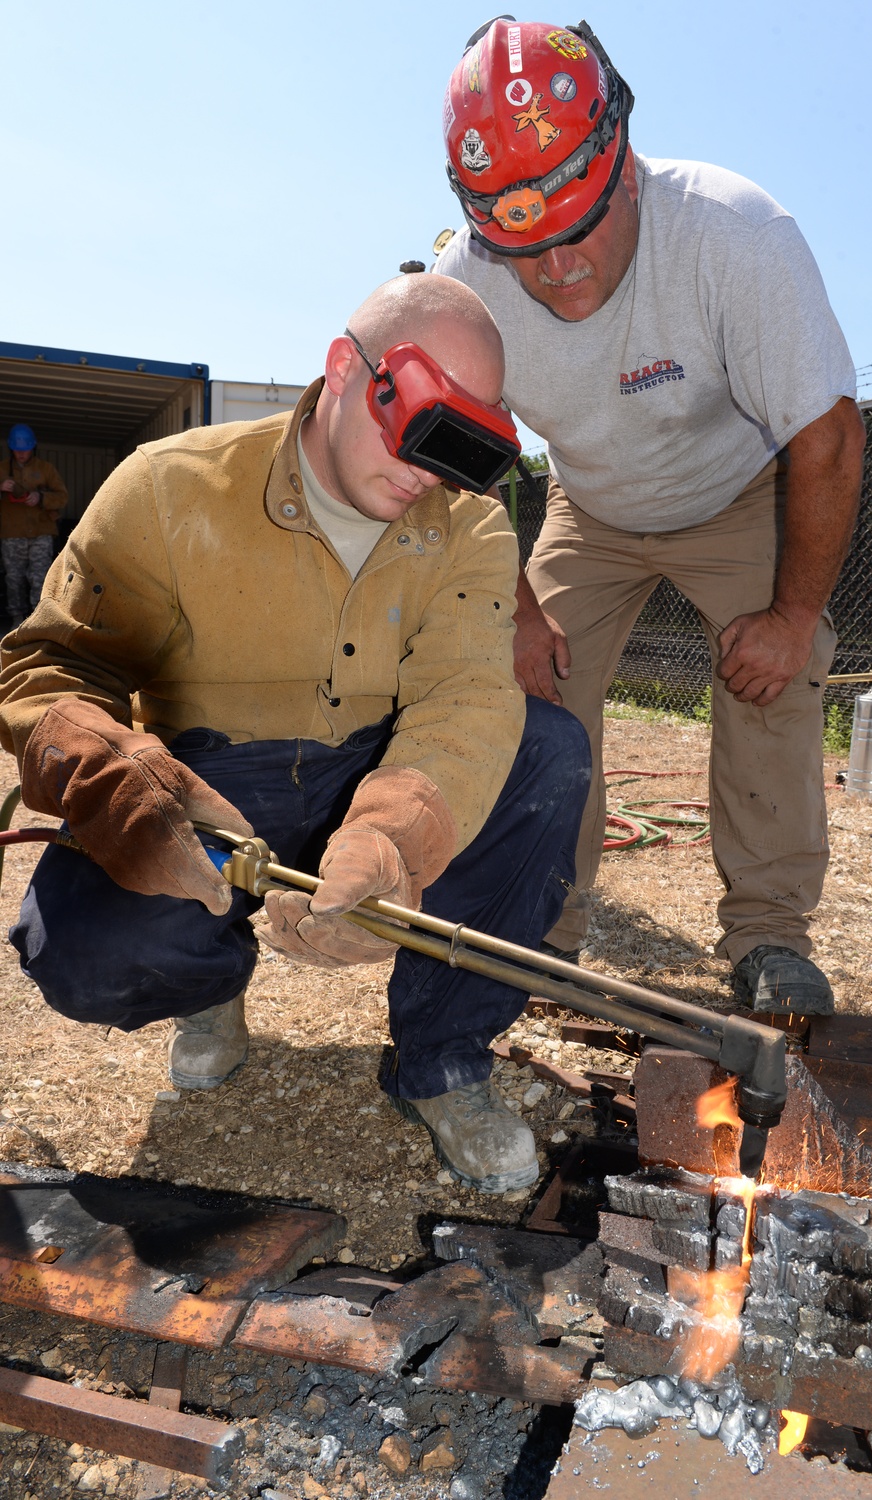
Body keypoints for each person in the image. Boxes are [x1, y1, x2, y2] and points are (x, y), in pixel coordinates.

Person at [0, 274, 590, 1194]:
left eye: (461, 451)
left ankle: (441, 1061)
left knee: (547, 751)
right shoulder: (165, 489)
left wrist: (395, 833)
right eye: (423, 432)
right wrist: (105, 767)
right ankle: (211, 980)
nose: (429, 475)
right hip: (207, 779)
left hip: (373, 760)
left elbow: (467, 698)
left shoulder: (467, 523)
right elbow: (49, 667)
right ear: (345, 370)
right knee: (84, 957)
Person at [435, 18, 867, 1015]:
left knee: (774, 675)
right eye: (524, 247)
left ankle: (767, 937)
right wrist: (516, 613)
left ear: (621, 163)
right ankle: (540, 929)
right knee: (524, 692)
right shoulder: (466, 287)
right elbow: (457, 472)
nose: (557, 271)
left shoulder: (734, 232)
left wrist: (792, 618)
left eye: (576, 230)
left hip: (734, 490)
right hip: (587, 501)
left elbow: (828, 440)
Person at [1, 424, 68, 626]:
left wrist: (41, 497)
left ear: (33, 447)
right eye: (17, 449)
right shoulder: (2, 469)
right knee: (13, 578)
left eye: (25, 449)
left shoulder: (46, 469)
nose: (21, 454)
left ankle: (37, 620)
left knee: (40, 578)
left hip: (41, 532)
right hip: (12, 533)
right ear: (11, 448)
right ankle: (17, 619)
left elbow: (63, 497)